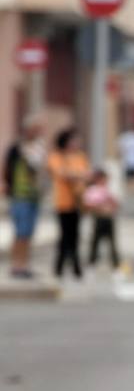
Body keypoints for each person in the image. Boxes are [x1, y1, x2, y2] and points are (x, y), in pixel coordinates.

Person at [3, 117, 45, 279]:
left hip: (33, 195)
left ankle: (25, 264)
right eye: (35, 129)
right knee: (20, 232)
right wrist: (5, 185)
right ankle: (16, 264)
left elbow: (40, 170)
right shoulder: (17, 147)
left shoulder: (38, 148)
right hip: (19, 195)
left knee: (28, 233)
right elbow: (6, 167)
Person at [47, 129, 90, 280]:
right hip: (63, 202)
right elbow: (61, 173)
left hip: (78, 201)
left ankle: (76, 266)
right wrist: (76, 175)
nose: (76, 144)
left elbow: (86, 174)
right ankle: (59, 266)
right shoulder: (56, 156)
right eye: (73, 140)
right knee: (64, 235)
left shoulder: (80, 156)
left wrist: (75, 175)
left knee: (75, 235)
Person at [82, 169, 122, 272]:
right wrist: (99, 205)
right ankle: (92, 263)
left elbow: (116, 205)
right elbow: (88, 206)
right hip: (98, 218)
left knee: (112, 243)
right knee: (95, 243)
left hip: (108, 218)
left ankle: (115, 265)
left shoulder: (109, 189)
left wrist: (110, 201)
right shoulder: (92, 190)